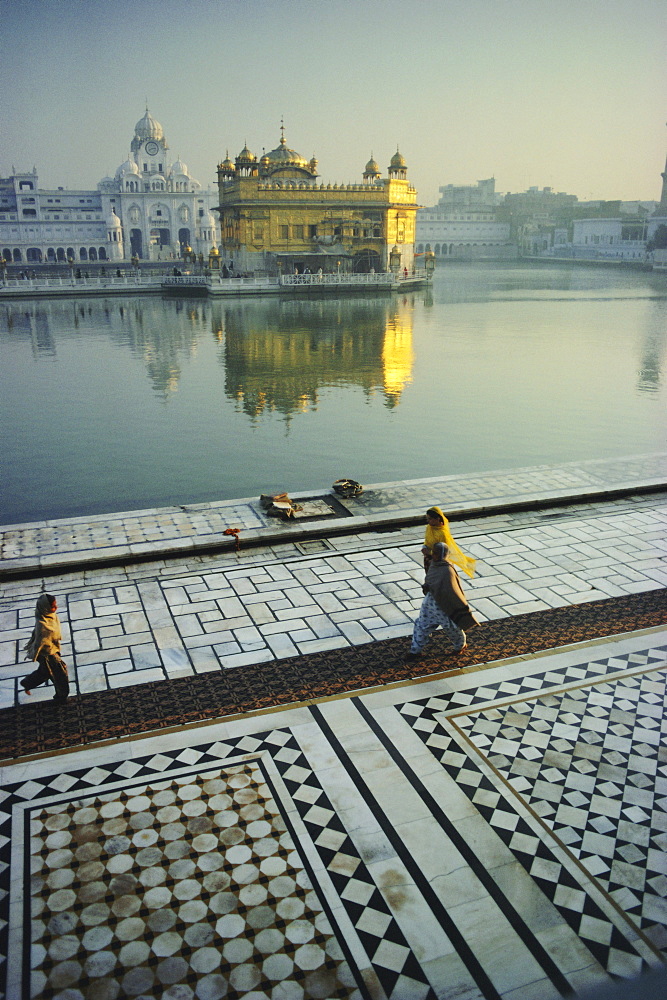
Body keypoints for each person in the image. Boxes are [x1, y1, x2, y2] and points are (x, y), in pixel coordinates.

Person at [408, 543, 479, 658]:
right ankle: (415, 650)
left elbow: (452, 591)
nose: (434, 555)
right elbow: (429, 578)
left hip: (444, 607)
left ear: (443, 554)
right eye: (433, 552)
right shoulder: (434, 565)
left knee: (452, 629)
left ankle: (460, 645)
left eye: (436, 553)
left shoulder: (447, 570)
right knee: (421, 625)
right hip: (430, 604)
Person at [20, 594, 69, 703]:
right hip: (47, 654)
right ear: (45, 607)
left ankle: (27, 683)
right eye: (53, 606)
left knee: (45, 673)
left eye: (55, 605)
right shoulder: (43, 625)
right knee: (61, 675)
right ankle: (61, 698)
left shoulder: (50, 616)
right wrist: (37, 655)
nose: (55, 608)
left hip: (53, 649)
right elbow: (39, 642)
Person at [422, 505, 475, 578]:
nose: (428, 521)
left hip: (437, 561)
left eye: (430, 519)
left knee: (435, 578)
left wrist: (430, 553)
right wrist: (424, 547)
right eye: (427, 519)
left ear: (437, 519)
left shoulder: (442, 533)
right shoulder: (430, 527)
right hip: (428, 557)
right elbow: (427, 540)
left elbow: (442, 552)